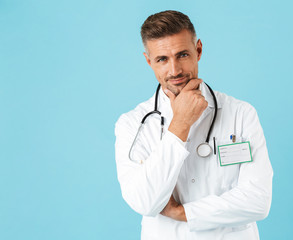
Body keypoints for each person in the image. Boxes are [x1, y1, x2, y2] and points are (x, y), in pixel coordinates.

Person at [115, 10, 273, 240]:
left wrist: (182, 212)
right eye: (162, 59)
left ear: (198, 50)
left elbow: (258, 201)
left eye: (182, 55)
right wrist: (180, 123)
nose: (175, 70)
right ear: (149, 61)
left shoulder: (241, 113)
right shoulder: (132, 124)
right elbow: (145, 203)